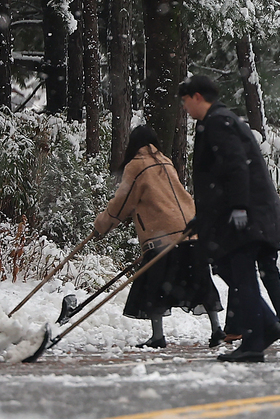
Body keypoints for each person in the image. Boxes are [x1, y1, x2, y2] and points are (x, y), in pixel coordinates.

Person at [181, 75, 280, 363]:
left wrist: (240, 207)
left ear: (196, 97)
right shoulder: (220, 121)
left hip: (245, 217)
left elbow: (236, 167)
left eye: (185, 101)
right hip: (239, 215)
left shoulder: (218, 122)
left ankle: (255, 340)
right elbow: (217, 179)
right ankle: (268, 326)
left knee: (241, 277)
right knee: (232, 273)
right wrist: (202, 218)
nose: (185, 108)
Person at [93, 125, 223, 348]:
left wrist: (102, 225)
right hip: (189, 231)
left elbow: (122, 202)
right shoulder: (166, 161)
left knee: (154, 285)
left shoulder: (136, 166)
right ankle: (217, 329)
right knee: (200, 281)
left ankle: (158, 336)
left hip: (161, 235)